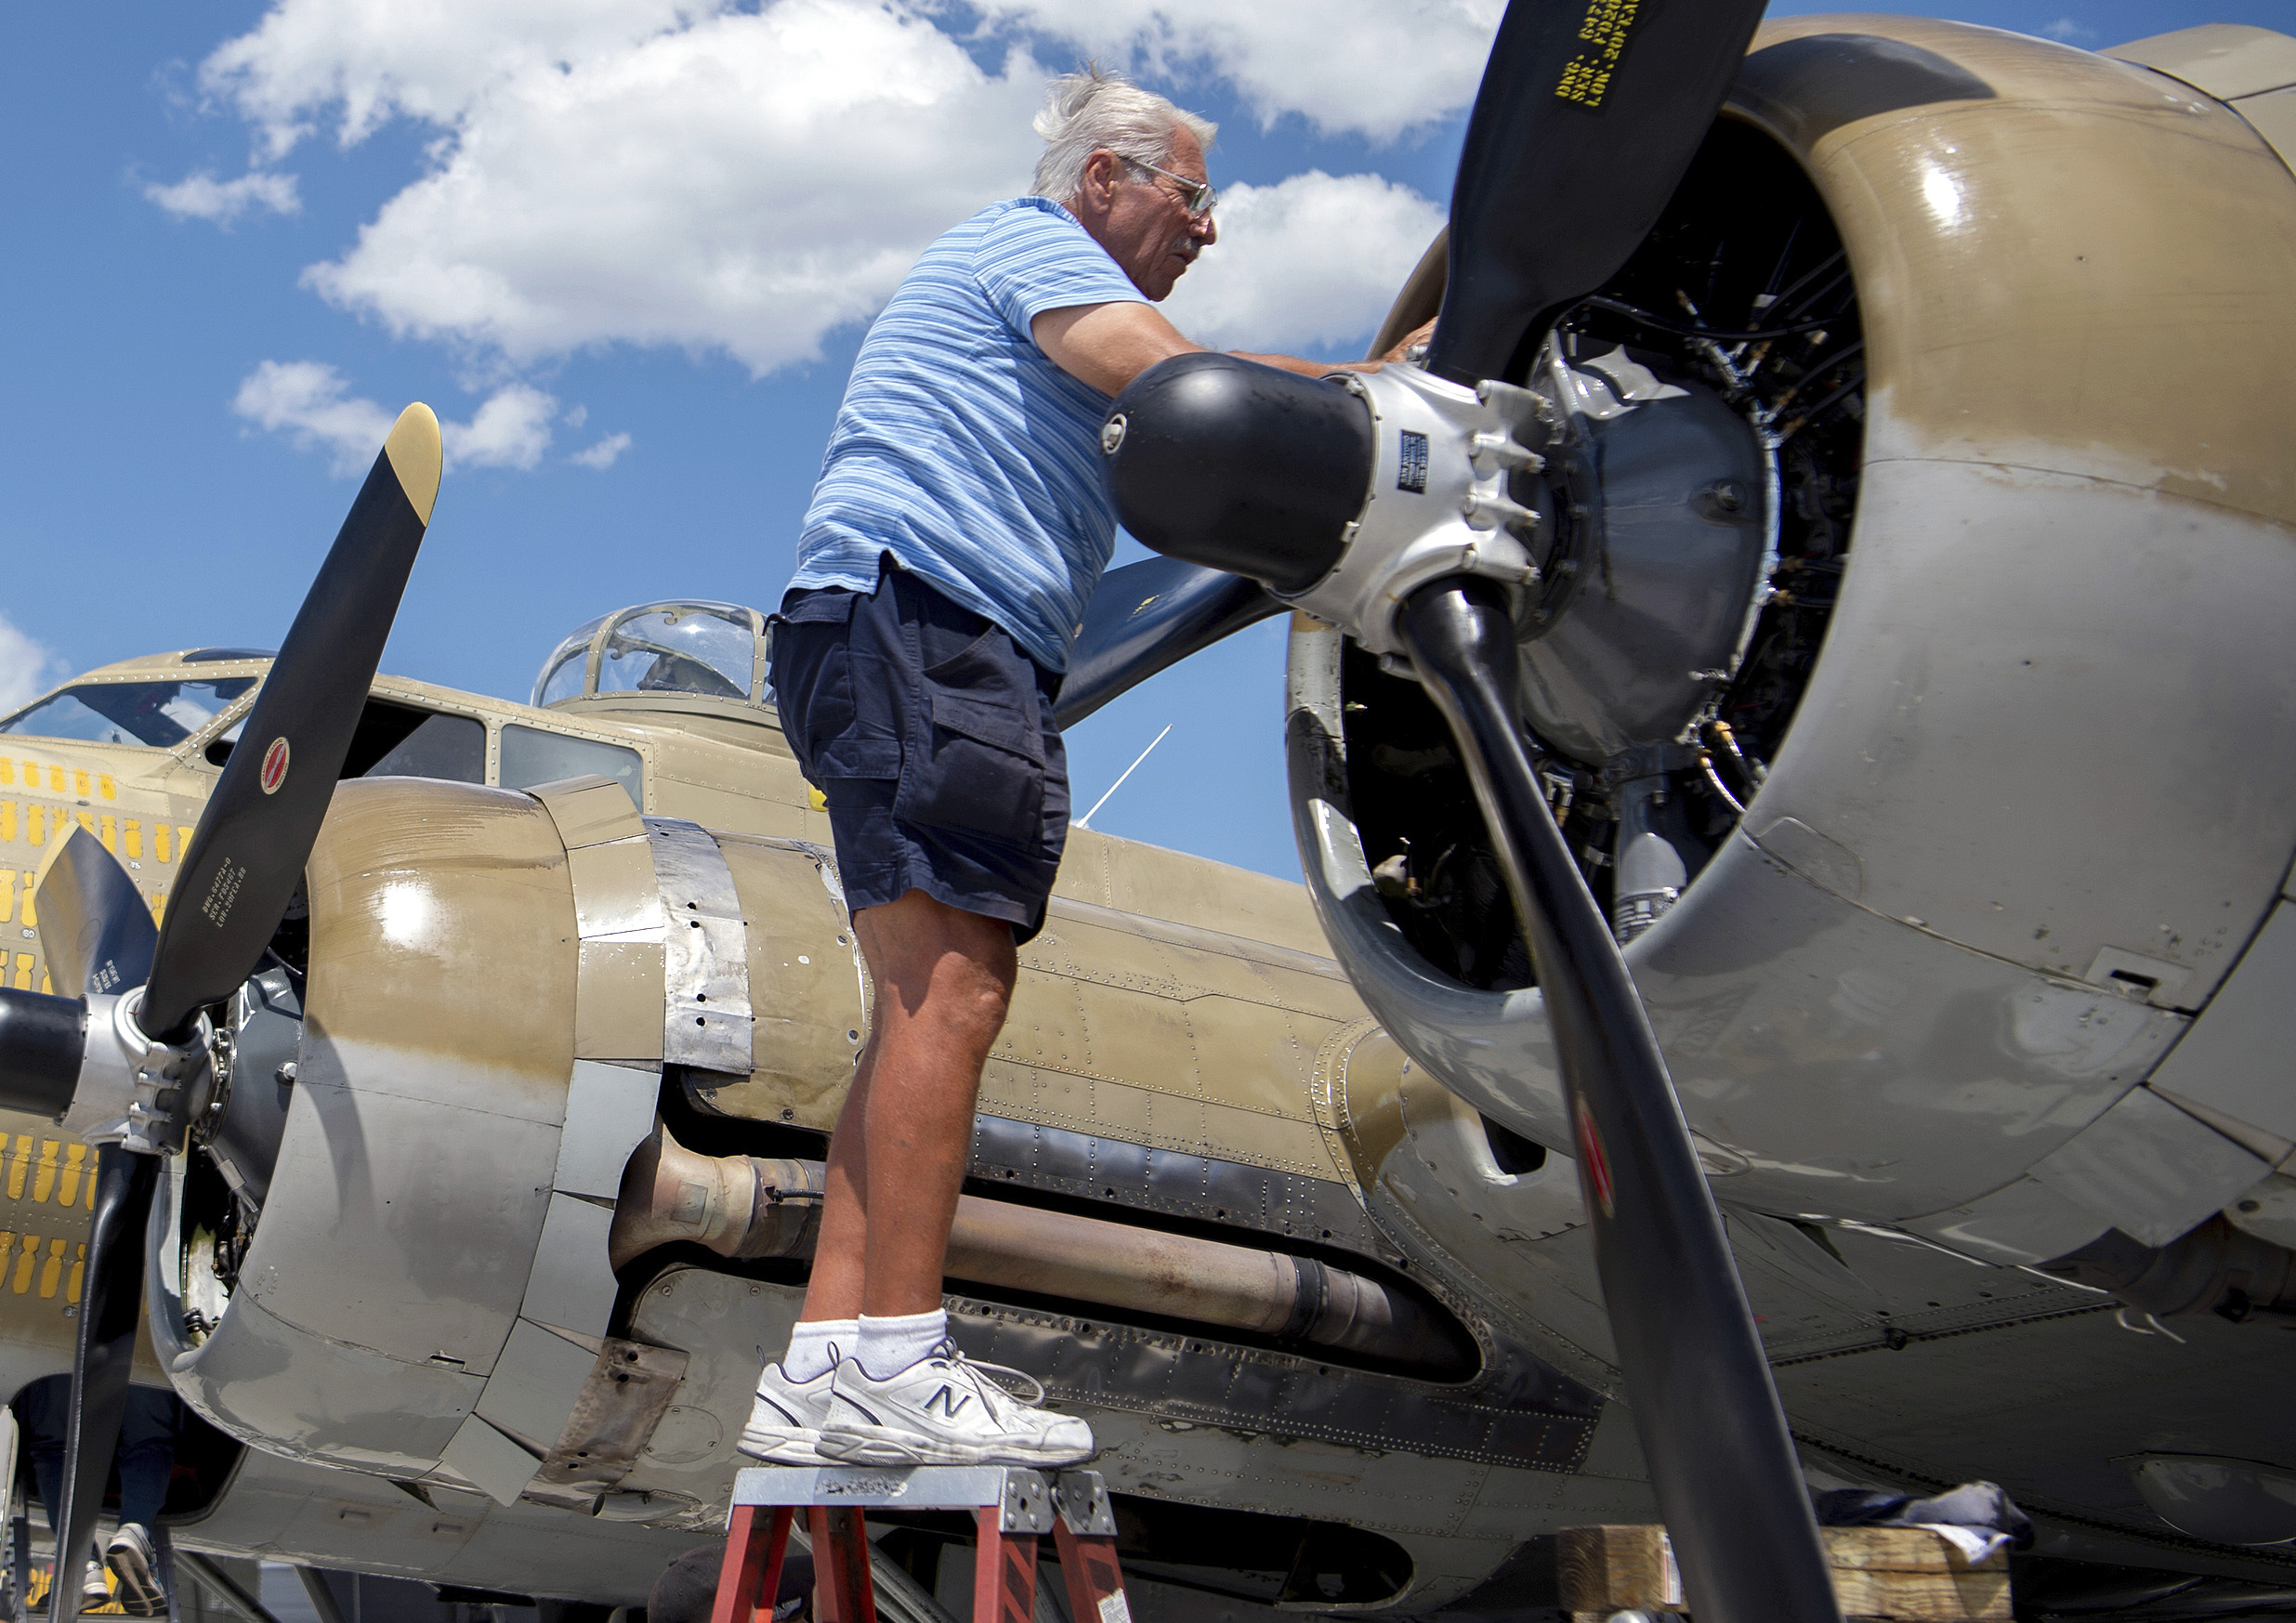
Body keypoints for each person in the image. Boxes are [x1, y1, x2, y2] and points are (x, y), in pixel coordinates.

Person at [741, 66, 1428, 1470]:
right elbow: (1179, 383)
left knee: (909, 1007)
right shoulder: (1030, 243)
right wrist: (1379, 395)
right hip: (934, 619)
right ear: (1103, 183)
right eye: (1192, 196)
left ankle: (823, 1364)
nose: (1211, 229)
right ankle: (900, 1360)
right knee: (957, 988)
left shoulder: (1006, 284)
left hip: (867, 624)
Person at [17, 1377, 177, 1617]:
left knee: (55, 1447)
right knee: (147, 1441)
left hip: (55, 1349)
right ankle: (135, 1530)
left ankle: (82, 1561)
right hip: (145, 1348)